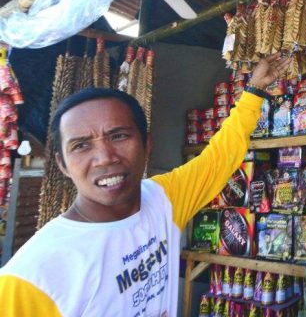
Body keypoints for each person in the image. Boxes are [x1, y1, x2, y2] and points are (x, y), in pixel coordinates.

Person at [0, 52, 291, 316]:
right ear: (62, 163)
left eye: (118, 136)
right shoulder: (31, 277)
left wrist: (253, 91)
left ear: (147, 145)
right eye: (81, 146)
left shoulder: (164, 200)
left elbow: (219, 158)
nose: (105, 158)